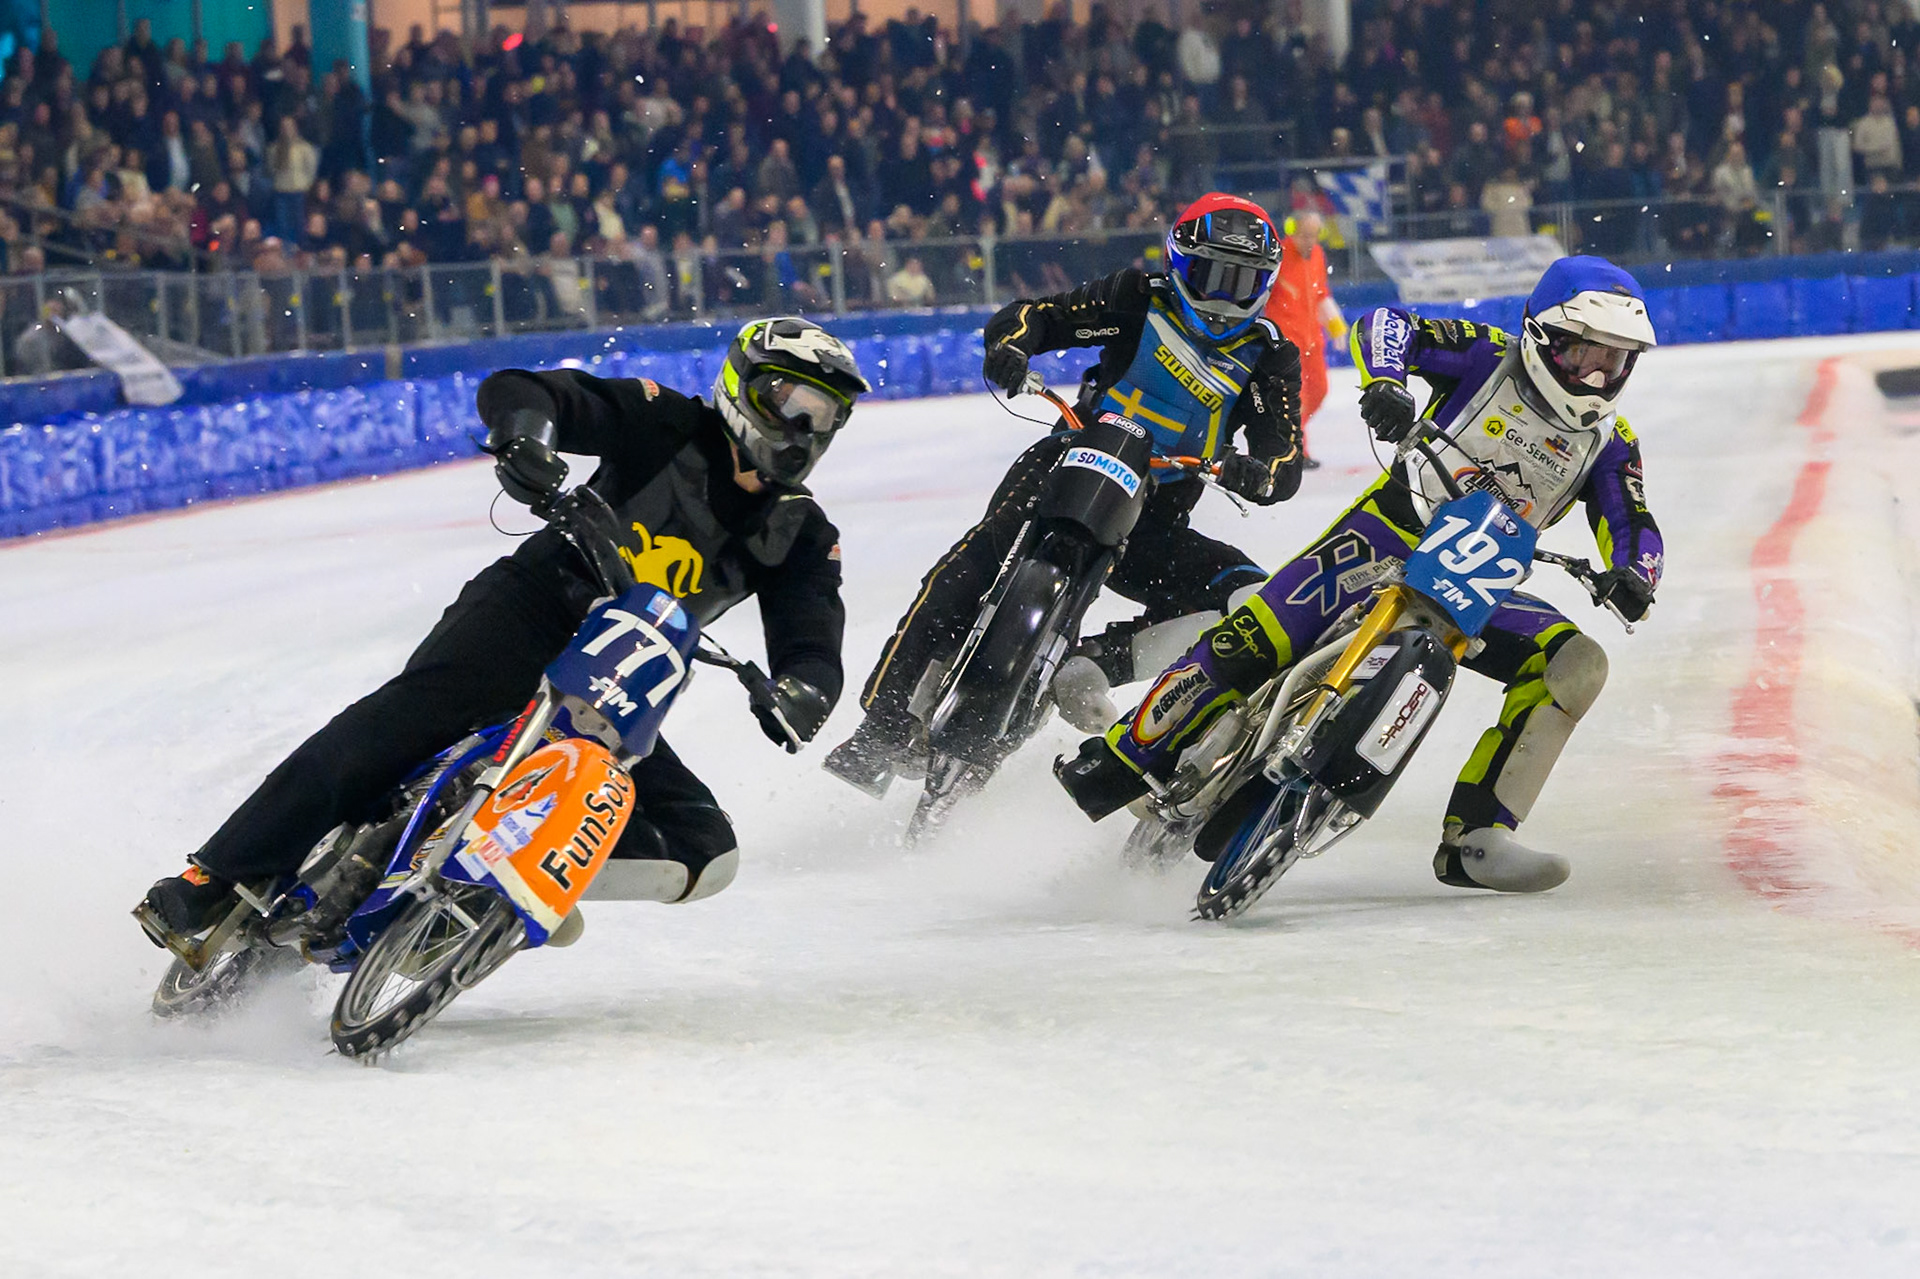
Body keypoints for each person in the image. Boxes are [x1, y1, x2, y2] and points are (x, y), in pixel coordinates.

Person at [138, 318, 872, 948]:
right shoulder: (665, 421)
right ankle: (218, 873)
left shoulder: (801, 532)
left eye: (827, 416)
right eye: (796, 402)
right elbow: (534, 391)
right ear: (746, 387)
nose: (808, 430)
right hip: (534, 609)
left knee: (706, 851)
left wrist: (805, 688)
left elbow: (814, 629)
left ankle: (509, 880)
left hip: (620, 685)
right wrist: (528, 439)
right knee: (399, 724)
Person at [1057, 256, 1663, 894]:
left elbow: (1635, 521)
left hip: (1480, 577)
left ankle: (1479, 836)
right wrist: (1386, 383)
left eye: (1616, 360)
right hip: (1387, 532)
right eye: (1584, 355)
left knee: (1576, 664)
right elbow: (1386, 325)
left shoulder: (1610, 441)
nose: (1597, 377)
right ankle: (1129, 752)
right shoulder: (1488, 356)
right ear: (1542, 336)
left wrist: (1637, 574)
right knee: (1262, 634)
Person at [823, 193, 1305, 798]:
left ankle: (1102, 662)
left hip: (1152, 520)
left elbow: (1283, 454)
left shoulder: (1270, 358)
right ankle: (883, 721)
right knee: (973, 561)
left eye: (1243, 283)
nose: (1224, 296)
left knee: (1256, 599)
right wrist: (1012, 347)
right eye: (1212, 276)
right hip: (1069, 462)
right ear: (1180, 263)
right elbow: (1041, 315)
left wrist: (1259, 472)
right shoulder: (1138, 297)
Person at [1261, 210, 1346, 470]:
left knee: (1319, 391)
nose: (1310, 241)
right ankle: (1297, 448)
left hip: (1312, 341)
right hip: (1288, 343)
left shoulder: (1318, 255)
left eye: (1314, 235)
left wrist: (1336, 326)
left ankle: (1288, 433)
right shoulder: (1278, 257)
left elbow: (1321, 294)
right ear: (1292, 232)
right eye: (1305, 235)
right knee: (1295, 397)